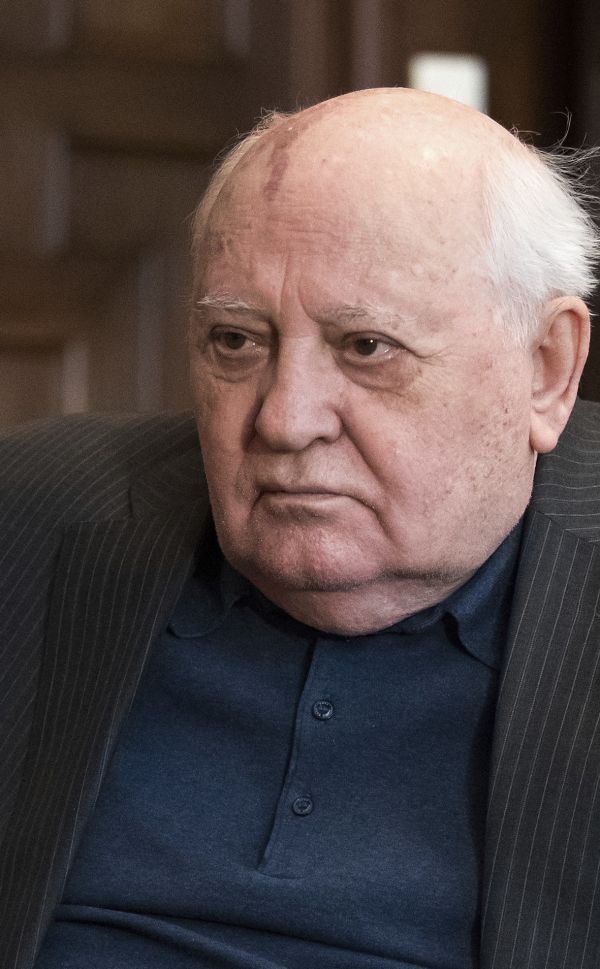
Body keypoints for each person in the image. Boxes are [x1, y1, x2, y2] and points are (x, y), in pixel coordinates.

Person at [1, 87, 599, 969]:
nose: (284, 419)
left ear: (546, 368)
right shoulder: (31, 517)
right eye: (237, 341)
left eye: (367, 347)